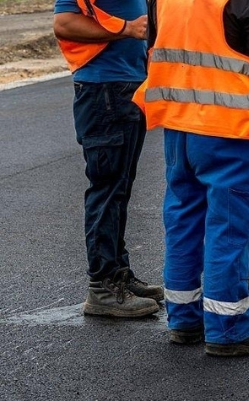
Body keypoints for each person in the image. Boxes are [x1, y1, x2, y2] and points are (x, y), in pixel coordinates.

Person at [133, 0, 249, 356]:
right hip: (230, 133)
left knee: (183, 223)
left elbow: (157, 50)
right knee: (228, 230)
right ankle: (228, 328)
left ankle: (184, 319)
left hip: (179, 130)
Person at [53, 0, 163, 318]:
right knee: (107, 189)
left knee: (120, 189)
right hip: (104, 90)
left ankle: (119, 274)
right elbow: (64, 23)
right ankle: (102, 286)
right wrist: (127, 29)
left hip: (127, 88)